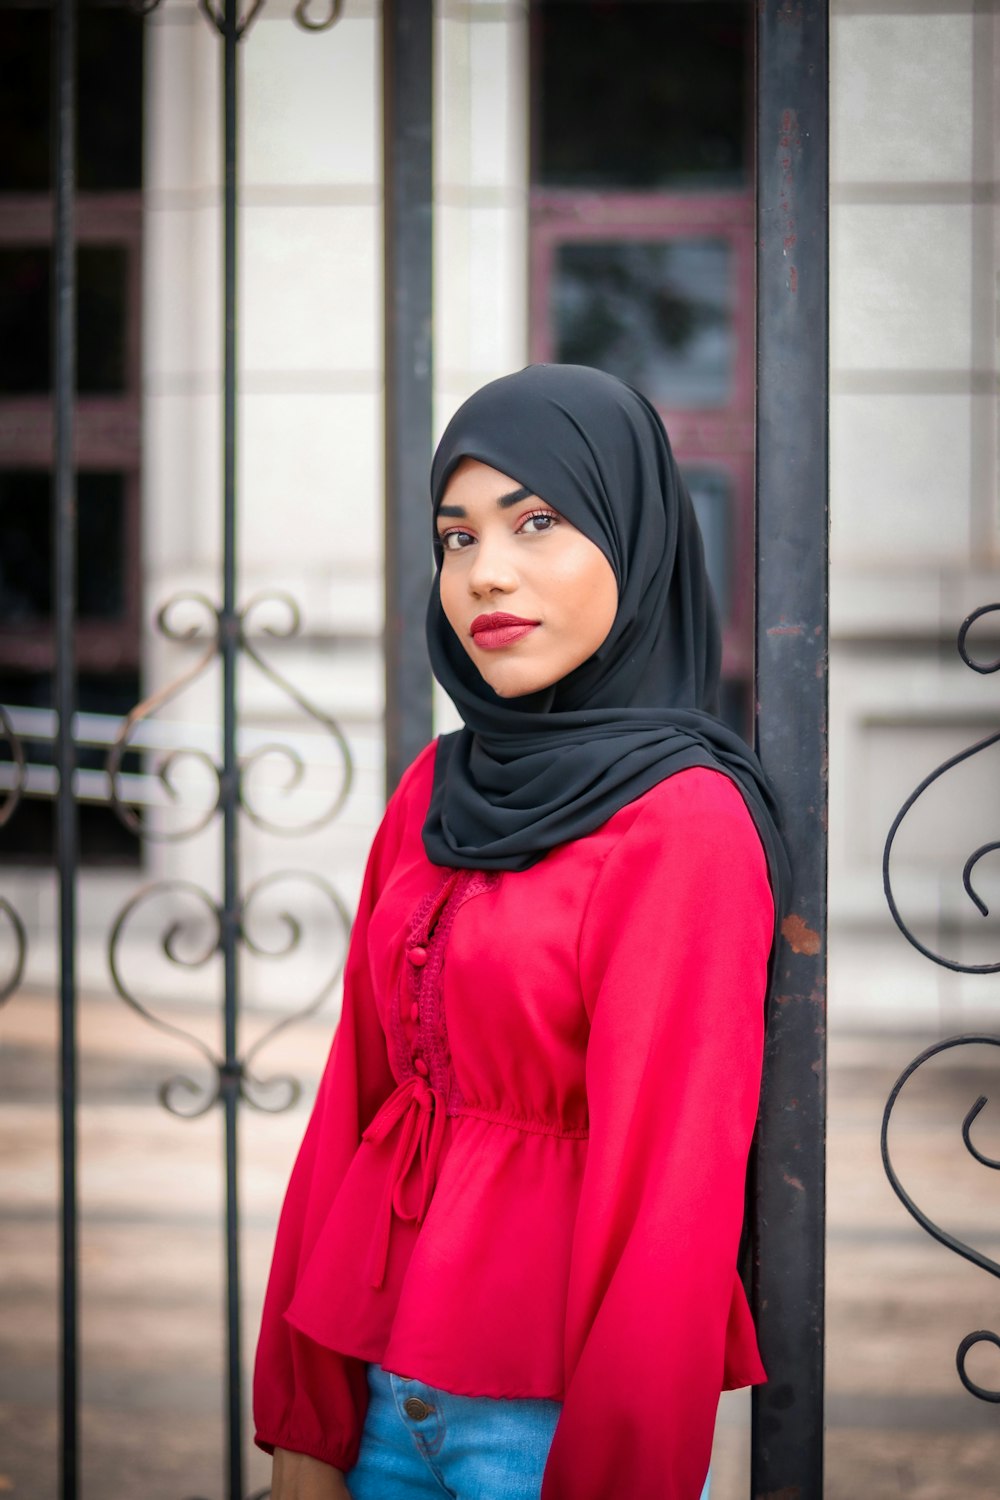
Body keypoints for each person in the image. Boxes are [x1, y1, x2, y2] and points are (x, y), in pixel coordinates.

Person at [253, 363, 788, 1500]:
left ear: (633, 538)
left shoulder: (682, 822)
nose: (486, 571)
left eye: (536, 522)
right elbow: (356, 1103)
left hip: (539, 1440)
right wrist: (302, 1416)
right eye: (457, 536)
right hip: (375, 1403)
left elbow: (669, 1210)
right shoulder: (437, 790)